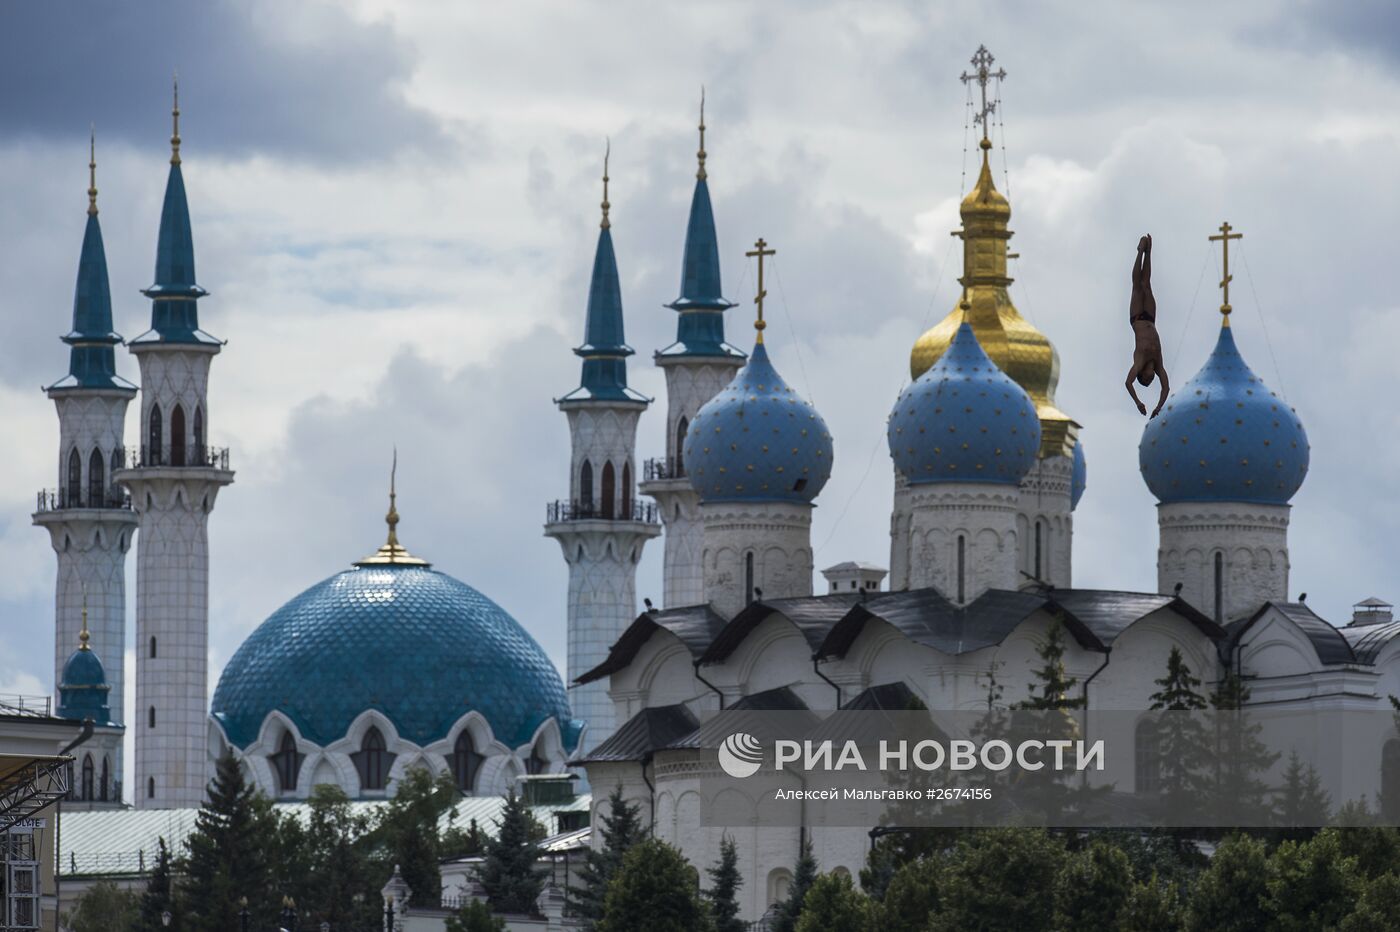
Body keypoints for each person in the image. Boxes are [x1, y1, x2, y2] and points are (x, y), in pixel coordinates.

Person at [1126, 234, 1169, 417]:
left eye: (1147, 380)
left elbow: (1128, 383)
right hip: (1150, 319)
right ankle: (1149, 252)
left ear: (1142, 374)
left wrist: (1137, 402)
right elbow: (1166, 388)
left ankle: (1140, 251)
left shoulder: (1139, 361)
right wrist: (1158, 408)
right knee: (1147, 285)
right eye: (1152, 380)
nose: (1151, 378)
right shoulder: (1158, 363)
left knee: (1137, 286)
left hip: (1137, 318)